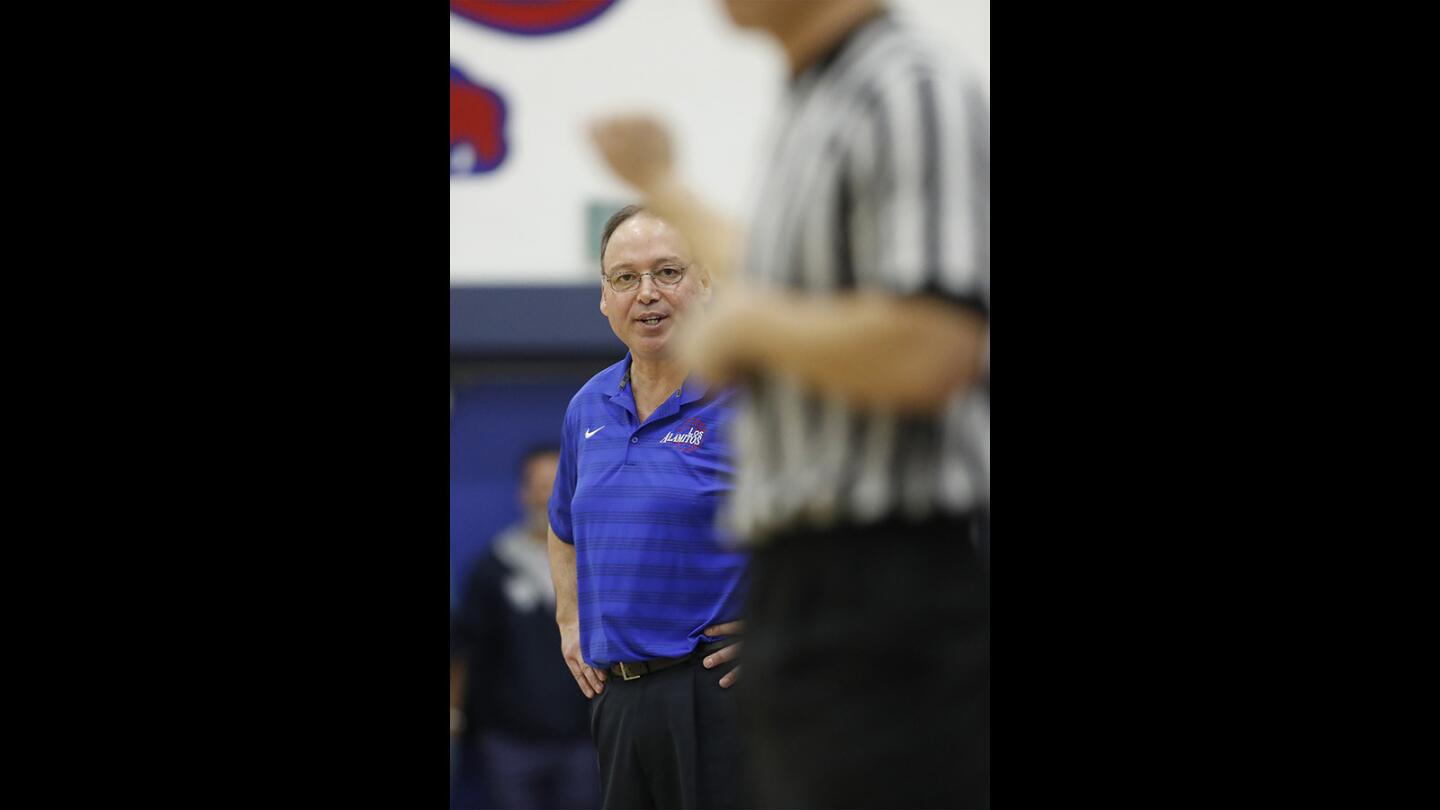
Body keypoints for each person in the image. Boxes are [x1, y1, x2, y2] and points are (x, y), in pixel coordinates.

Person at [588, 1, 990, 806]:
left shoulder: (908, 86)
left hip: (886, 580)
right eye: (625, 277)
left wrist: (749, 328)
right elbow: (788, 285)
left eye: (669, 274)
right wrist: (665, 184)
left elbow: (932, 346)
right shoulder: (816, 99)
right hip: (804, 592)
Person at [546, 206, 748, 809]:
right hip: (620, 700)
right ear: (605, 298)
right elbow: (563, 527)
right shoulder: (588, 405)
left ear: (706, 284)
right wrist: (569, 619)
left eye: (668, 272)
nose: (648, 294)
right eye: (625, 278)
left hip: (722, 691)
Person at [451, 446, 601, 810]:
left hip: (585, 738)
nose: (550, 496)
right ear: (523, 492)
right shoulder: (493, 567)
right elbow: (464, 649)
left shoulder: (597, 563)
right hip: (509, 743)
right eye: (541, 484)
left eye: (559, 484)